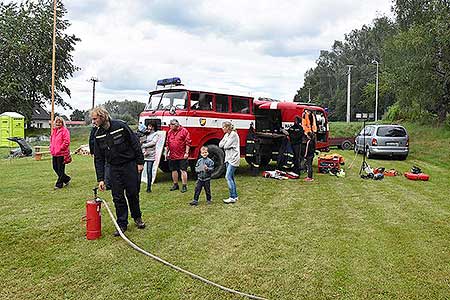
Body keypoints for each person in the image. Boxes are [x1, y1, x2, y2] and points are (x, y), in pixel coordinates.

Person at [91, 107, 146, 236]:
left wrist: (140, 162)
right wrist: (101, 179)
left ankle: (137, 218)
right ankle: (122, 224)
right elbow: (98, 158)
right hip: (113, 168)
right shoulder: (97, 134)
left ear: (102, 116)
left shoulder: (121, 126)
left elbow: (135, 143)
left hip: (129, 165)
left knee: (132, 193)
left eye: (95, 118)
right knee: (117, 197)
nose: (93, 121)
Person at [166, 119, 191, 193]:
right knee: (173, 170)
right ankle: (175, 184)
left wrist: (186, 153)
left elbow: (188, 142)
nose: (170, 126)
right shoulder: (170, 132)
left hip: (182, 155)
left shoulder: (184, 131)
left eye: (171, 125)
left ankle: (184, 186)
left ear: (176, 125)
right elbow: (167, 143)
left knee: (183, 170)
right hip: (172, 155)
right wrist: (166, 153)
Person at [219, 121, 240, 204]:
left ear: (227, 127)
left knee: (228, 177)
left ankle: (232, 197)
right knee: (231, 177)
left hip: (233, 159)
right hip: (228, 158)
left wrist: (225, 143)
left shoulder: (233, 135)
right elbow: (220, 145)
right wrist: (225, 143)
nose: (222, 128)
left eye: (223, 127)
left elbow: (226, 146)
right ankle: (235, 196)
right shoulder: (226, 135)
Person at [49, 116, 71, 189]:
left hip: (61, 153)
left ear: (62, 123)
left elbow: (66, 141)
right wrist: (51, 148)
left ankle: (59, 184)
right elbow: (52, 140)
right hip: (54, 152)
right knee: (55, 168)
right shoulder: (54, 131)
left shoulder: (65, 131)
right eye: (57, 122)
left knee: (60, 169)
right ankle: (66, 179)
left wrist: (61, 148)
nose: (58, 123)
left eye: (60, 122)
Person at [89, 121, 111, 190]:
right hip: (98, 151)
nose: (94, 122)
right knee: (102, 165)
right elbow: (91, 141)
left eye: (95, 119)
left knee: (107, 166)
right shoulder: (94, 130)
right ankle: (104, 181)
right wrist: (92, 151)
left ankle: (107, 182)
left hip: (107, 152)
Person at [141, 121, 159, 193]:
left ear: (153, 127)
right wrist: (143, 150)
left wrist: (144, 145)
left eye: (150, 126)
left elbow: (153, 142)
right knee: (140, 170)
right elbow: (141, 141)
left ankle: (149, 187)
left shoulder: (156, 134)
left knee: (149, 171)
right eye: (148, 126)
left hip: (151, 155)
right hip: (144, 154)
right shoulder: (145, 134)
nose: (149, 127)